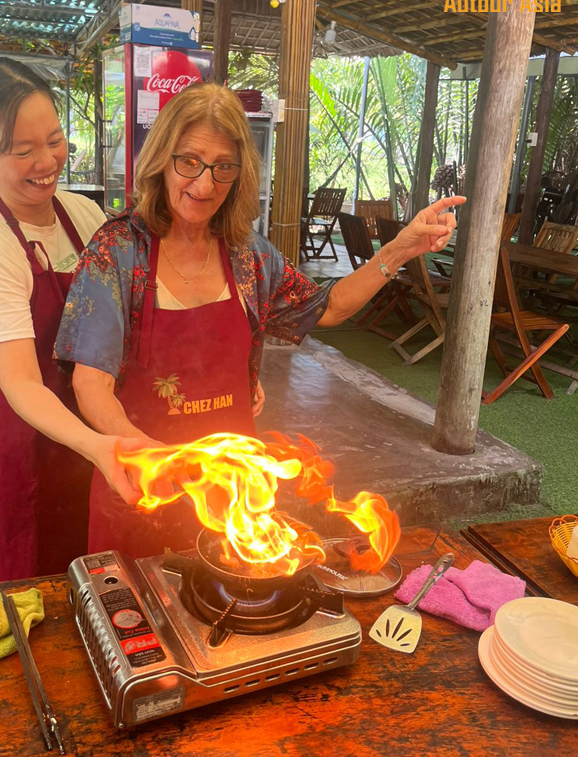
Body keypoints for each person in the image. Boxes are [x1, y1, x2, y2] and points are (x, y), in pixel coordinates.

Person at [55, 83, 464, 558]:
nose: (204, 185)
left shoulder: (247, 254)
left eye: (223, 167)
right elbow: (91, 384)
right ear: (161, 159)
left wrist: (399, 249)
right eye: (189, 162)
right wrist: (151, 457)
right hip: (142, 487)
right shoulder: (119, 251)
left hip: (232, 498)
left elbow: (328, 307)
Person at [0, 57, 146, 583]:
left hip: (94, 430)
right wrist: (98, 444)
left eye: (55, 140)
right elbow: (21, 383)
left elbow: (130, 310)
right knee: (34, 585)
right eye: (22, 151)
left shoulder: (83, 214)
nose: (47, 161)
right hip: (31, 444)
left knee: (97, 577)